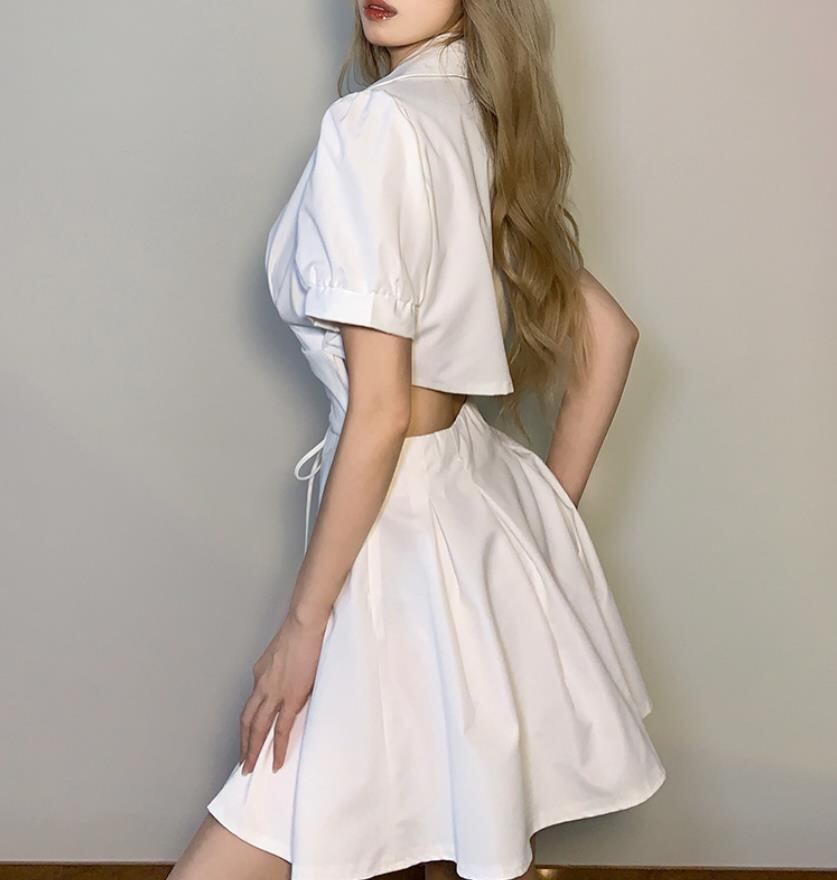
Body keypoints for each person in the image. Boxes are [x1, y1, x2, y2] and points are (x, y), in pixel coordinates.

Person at [169, 3, 666, 879]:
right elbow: (610, 336)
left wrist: (303, 626)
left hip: (394, 535)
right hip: (464, 508)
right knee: (436, 833)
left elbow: (380, 411)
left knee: (311, 822)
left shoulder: (376, 125)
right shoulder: (478, 114)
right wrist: (537, 529)